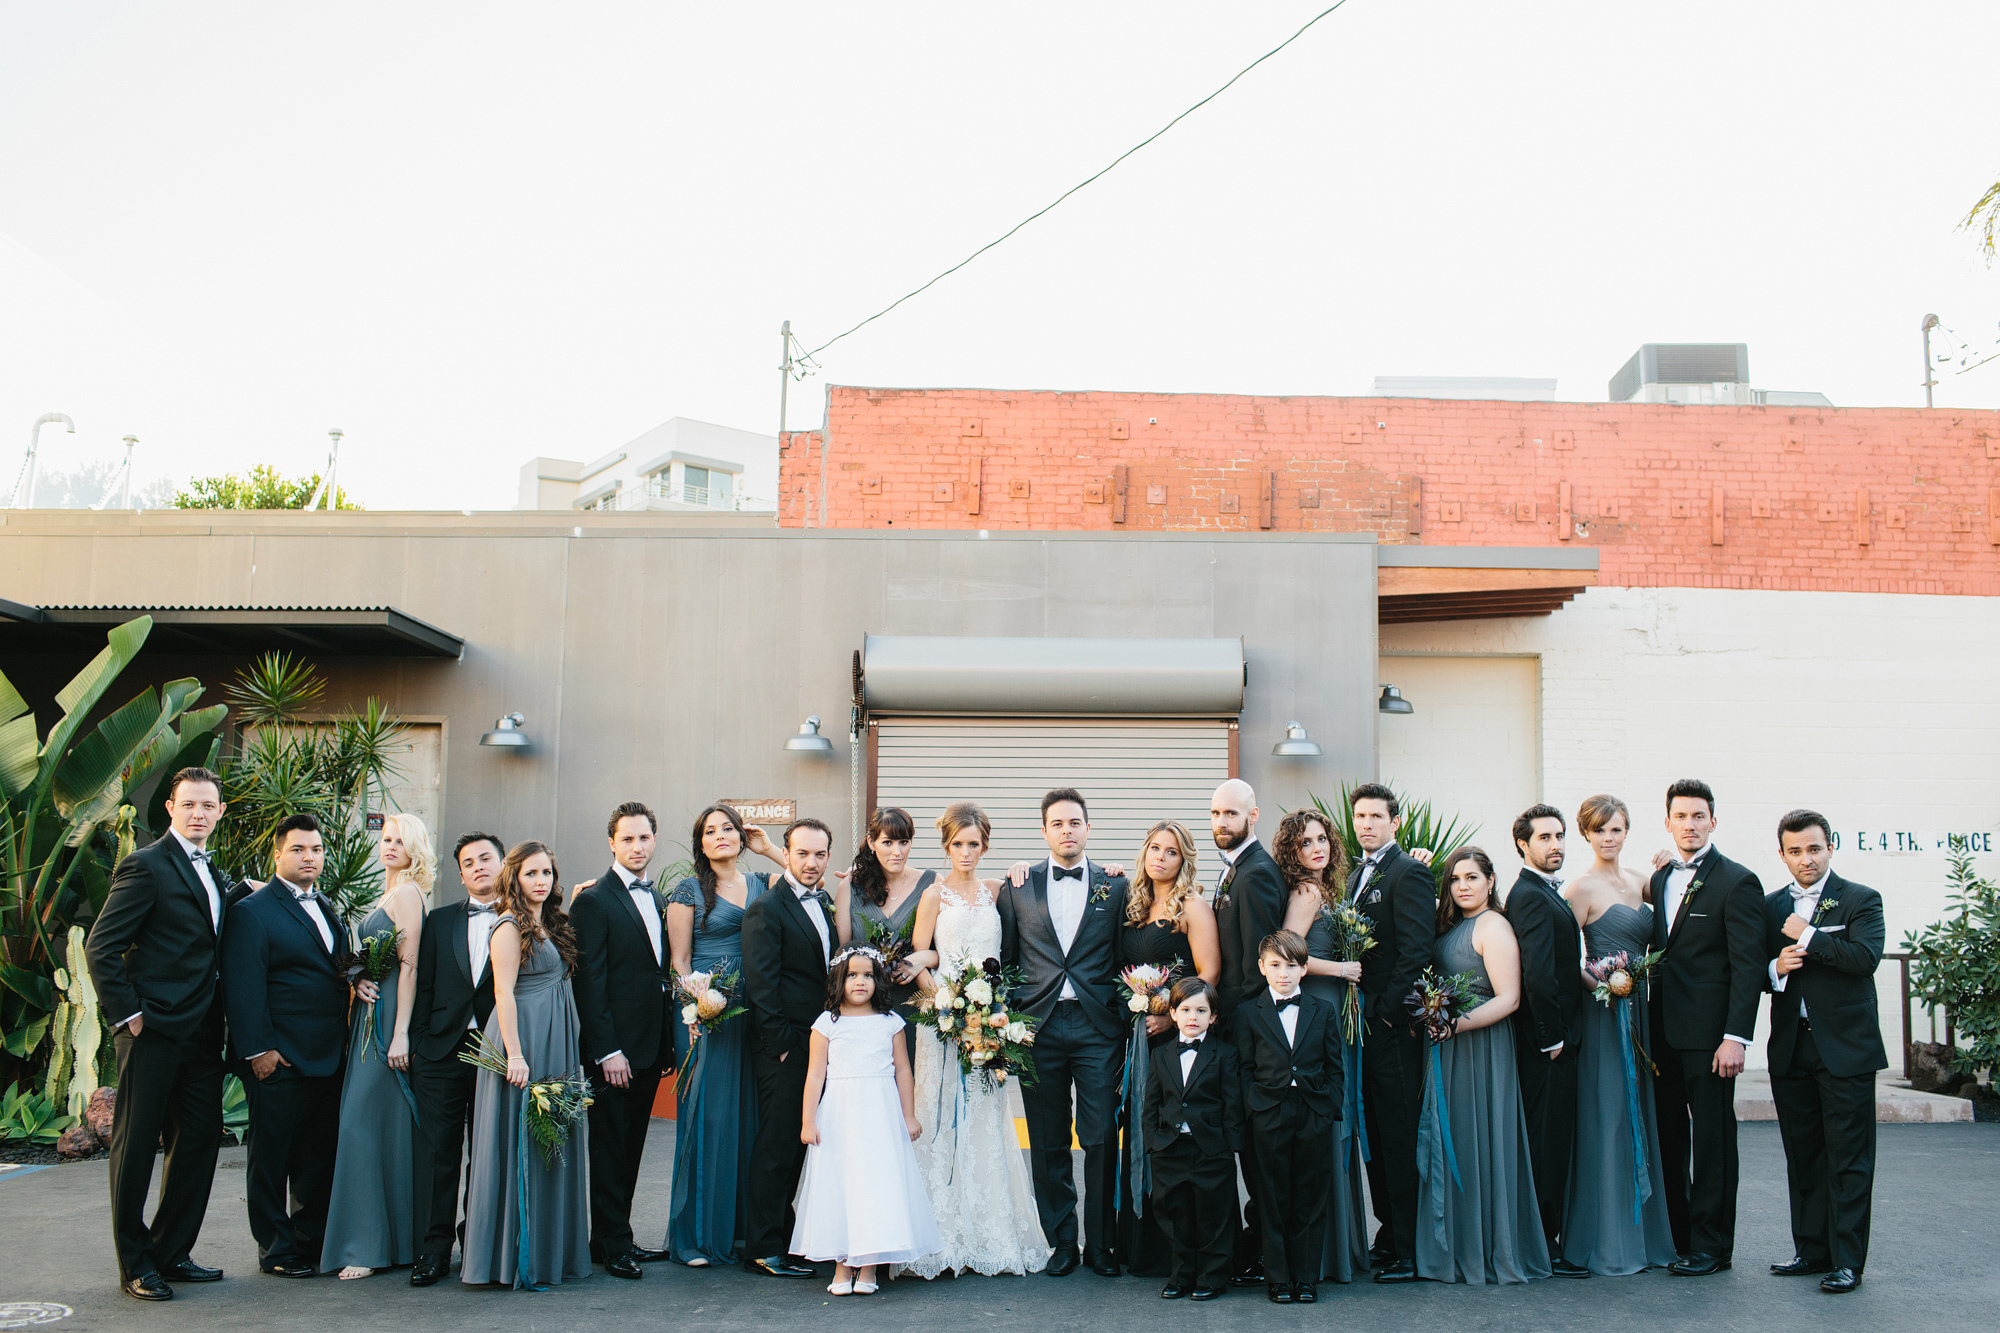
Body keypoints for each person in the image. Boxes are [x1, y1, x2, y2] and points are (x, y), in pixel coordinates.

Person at [85, 766, 242, 1302]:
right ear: (171, 809)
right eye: (189, 805)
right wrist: (126, 1014)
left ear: (221, 812)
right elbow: (101, 946)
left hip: (202, 1032)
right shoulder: (146, 865)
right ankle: (135, 1263)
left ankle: (170, 1251)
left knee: (198, 1140)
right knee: (134, 1148)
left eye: (208, 806)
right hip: (151, 1029)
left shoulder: (213, 870)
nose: (199, 813)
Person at [903, 802, 1050, 1279]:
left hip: (988, 1020)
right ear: (945, 845)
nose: (966, 852)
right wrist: (945, 1008)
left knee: (985, 1115)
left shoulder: (996, 891)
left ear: (985, 845)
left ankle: (987, 1231)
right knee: (939, 1112)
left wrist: (986, 1015)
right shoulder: (933, 894)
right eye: (957, 844)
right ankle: (938, 1235)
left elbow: (1017, 939)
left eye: (974, 843)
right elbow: (918, 960)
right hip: (944, 1023)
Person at [995, 788, 1130, 1278]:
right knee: (1048, 1138)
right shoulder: (1019, 885)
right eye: (1057, 823)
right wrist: (1007, 1020)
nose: (1066, 830)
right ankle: (1062, 1242)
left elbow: (1122, 954)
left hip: (1098, 1029)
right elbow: (1007, 959)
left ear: (1088, 828)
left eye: (1075, 822)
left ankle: (1102, 1245)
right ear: (1045, 830)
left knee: (1099, 1138)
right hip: (1039, 1029)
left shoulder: (1116, 887)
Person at [221, 814, 353, 1278]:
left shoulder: (328, 907)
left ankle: (309, 1242)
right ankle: (275, 1250)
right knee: (270, 1159)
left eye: (316, 849)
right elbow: (243, 987)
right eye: (299, 849)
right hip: (279, 1060)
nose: (309, 857)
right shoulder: (252, 911)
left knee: (317, 1159)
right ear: (278, 854)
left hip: (327, 1057)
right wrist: (258, 1051)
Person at [1414, 847, 1551, 1285]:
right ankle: (1452, 1245)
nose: (1463, 886)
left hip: (1480, 1048)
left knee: (1477, 1139)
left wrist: (1454, 1025)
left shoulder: (1493, 925)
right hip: (1449, 1044)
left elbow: (1508, 998)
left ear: (1491, 881)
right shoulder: (1456, 923)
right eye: (1455, 880)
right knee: (1451, 1138)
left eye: (1472, 878)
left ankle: (1483, 1248)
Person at [1763, 809, 1885, 1295]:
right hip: (1792, 1048)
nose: (1805, 859)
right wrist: (1776, 966)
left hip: (1846, 1050)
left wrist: (1809, 936)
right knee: (1804, 1155)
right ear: (1782, 855)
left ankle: (1848, 1261)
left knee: (1849, 1158)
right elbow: (1750, 970)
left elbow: (1865, 959)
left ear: (1830, 846)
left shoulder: (1861, 899)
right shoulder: (1771, 907)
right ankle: (1811, 1251)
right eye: (1795, 851)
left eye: (1814, 849)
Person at [461, 841, 591, 1289]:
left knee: (550, 1144)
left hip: (556, 1041)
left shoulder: (549, 922)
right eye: (532, 873)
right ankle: (513, 1256)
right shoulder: (508, 926)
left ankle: (550, 1250)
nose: (541, 881)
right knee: (522, 1142)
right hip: (524, 1041)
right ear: (514, 877)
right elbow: (503, 994)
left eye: (547, 874)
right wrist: (516, 1054)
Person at [1649, 778, 1765, 1277]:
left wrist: (1735, 1037)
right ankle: (1680, 1237)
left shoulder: (1738, 881)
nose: (1690, 825)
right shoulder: (1659, 879)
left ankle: (1713, 1247)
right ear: (1669, 821)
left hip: (1712, 1039)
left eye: (1699, 816)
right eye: (1681, 816)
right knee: (1670, 1139)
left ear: (1713, 821)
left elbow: (1748, 965)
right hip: (1660, 1035)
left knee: (1714, 1143)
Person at [1560, 795, 1677, 1275]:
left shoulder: (1641, 882)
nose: (1609, 838)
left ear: (1628, 832)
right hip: (1605, 1012)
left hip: (1642, 1015)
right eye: (1600, 830)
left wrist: (1670, 868)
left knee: (1640, 1115)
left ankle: (1646, 1235)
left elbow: (1676, 908)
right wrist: (1605, 986)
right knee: (1607, 1114)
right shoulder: (1578, 889)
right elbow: (1566, 958)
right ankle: (1605, 1237)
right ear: (1586, 834)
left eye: (1618, 830)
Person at [323, 813, 435, 1279]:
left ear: (415, 849)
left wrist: (401, 1032)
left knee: (362, 1126)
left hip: (390, 1021)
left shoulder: (409, 893)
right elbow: (375, 960)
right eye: (386, 839)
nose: (390, 847)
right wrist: (359, 979)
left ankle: (368, 1245)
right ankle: (391, 1240)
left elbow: (409, 968)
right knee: (376, 1125)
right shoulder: (385, 892)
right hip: (371, 1014)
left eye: (400, 841)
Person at [791, 947, 942, 1294]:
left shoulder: (890, 1022)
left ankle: (870, 1267)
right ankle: (843, 1267)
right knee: (843, 1185)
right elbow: (815, 1075)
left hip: (881, 1115)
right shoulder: (826, 1024)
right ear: (839, 981)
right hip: (840, 1116)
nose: (861, 982)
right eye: (853, 975)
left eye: (869, 975)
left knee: (876, 1186)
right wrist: (807, 1121)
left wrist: (908, 1115)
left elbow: (903, 1069)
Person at [1111, 819, 1219, 1280]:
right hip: (1133, 1037)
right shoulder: (1130, 903)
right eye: (1155, 848)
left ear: (1184, 860)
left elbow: (1209, 974)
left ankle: (1179, 1249)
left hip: (1174, 1037)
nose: (1161, 857)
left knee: (1170, 1137)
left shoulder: (1192, 906)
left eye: (1171, 852)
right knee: (1138, 1127)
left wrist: (1169, 1012)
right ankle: (1139, 1246)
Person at [570, 801, 673, 1279]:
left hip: (650, 1047)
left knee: (632, 1146)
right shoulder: (594, 900)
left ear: (654, 840)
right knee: (610, 1147)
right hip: (615, 1052)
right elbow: (589, 982)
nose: (637, 846)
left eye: (644, 838)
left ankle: (617, 1235)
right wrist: (606, 1049)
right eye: (627, 838)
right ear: (612, 842)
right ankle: (612, 1244)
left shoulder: (656, 898)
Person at [665, 803, 771, 1266]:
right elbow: (680, 961)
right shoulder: (688, 889)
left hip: (755, 1008)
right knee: (710, 1116)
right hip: (708, 1011)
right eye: (711, 831)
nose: (721, 836)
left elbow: (812, 881)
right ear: (701, 843)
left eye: (728, 828)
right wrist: (697, 1011)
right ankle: (696, 1235)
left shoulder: (762, 884)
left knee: (749, 1115)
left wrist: (770, 849)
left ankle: (742, 1230)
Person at [739, 816, 841, 1279]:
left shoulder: (823, 901)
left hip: (819, 1043)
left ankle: (789, 1238)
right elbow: (760, 983)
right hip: (785, 1047)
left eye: (820, 854)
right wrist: (783, 1048)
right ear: (786, 853)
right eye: (802, 853)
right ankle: (763, 1247)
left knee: (801, 1145)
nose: (812, 862)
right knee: (778, 1145)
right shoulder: (766, 907)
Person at [1345, 782, 1436, 1284]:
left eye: (1376, 817)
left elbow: (1417, 951)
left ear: (1394, 822)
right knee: (1375, 1134)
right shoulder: (1354, 874)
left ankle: (1410, 1246)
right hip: (1360, 1027)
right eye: (1360, 816)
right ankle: (1388, 1232)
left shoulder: (1410, 872)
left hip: (1390, 1029)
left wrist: (1384, 1015)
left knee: (1399, 1134)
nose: (1366, 824)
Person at [1274, 808, 1368, 1285]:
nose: (1317, 847)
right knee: (1327, 1115)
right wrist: (1342, 970)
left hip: (1335, 1008)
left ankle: (1337, 1248)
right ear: (1291, 851)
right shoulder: (1308, 892)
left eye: (1322, 839)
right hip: (1317, 1006)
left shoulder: (1331, 888)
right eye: (1305, 842)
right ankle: (1327, 1252)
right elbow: (1287, 959)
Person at [407, 832, 505, 1287]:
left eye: (486, 858)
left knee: (486, 1155)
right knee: (439, 1155)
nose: (479, 867)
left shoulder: (521, 919)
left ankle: (479, 1244)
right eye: (469, 862)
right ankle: (434, 1249)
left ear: (503, 864)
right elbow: (423, 985)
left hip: (498, 1054)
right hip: (441, 1053)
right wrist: (420, 1041)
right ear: (461, 873)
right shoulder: (439, 920)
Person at [1203, 779, 1285, 1287]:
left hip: (1247, 1033)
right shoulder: (1234, 869)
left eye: (1231, 814)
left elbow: (1259, 969)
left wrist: (1233, 1032)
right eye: (1215, 813)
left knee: (1258, 1153)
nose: (1221, 823)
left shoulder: (1254, 875)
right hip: (1236, 1028)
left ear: (1253, 816)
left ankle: (1263, 1253)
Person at [1232, 929, 1341, 1305]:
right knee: (1272, 1197)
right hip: (1268, 1114)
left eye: (1291, 966)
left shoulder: (1323, 1011)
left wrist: (1327, 1108)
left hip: (1312, 1112)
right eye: (1275, 965)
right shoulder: (1248, 1012)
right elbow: (1244, 1067)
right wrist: (1254, 1107)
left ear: (1304, 968)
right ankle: (1277, 1279)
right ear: (1262, 967)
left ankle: (1306, 1278)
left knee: (1309, 1196)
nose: (1283, 973)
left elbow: (1334, 1067)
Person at [1507, 804, 1590, 1278]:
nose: (1556, 844)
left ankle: (1545, 1238)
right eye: (1545, 838)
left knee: (1551, 1139)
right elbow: (1537, 972)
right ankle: (1545, 1245)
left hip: (1555, 1041)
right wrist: (1551, 1039)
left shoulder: (1543, 891)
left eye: (1560, 836)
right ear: (1523, 844)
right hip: (1548, 1047)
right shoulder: (1532, 895)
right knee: (1546, 1143)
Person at [1143, 977, 1243, 1302]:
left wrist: (1229, 1147)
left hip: (1211, 1149)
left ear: (1213, 1017)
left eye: (1201, 1010)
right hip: (1169, 1148)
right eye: (1185, 1009)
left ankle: (1212, 1276)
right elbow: (1151, 1104)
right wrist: (1152, 1143)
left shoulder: (1225, 1054)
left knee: (1214, 1214)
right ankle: (1182, 1274)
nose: (1192, 1017)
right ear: (1172, 1013)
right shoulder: (1160, 1055)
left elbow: (1232, 1104)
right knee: (1175, 1215)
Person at [846, 807, 937, 1059]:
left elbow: (948, 947)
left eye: (903, 842)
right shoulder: (850, 888)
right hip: (865, 1006)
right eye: (887, 842)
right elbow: (840, 957)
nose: (897, 852)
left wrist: (921, 959)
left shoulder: (932, 883)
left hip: (915, 1003)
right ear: (871, 843)